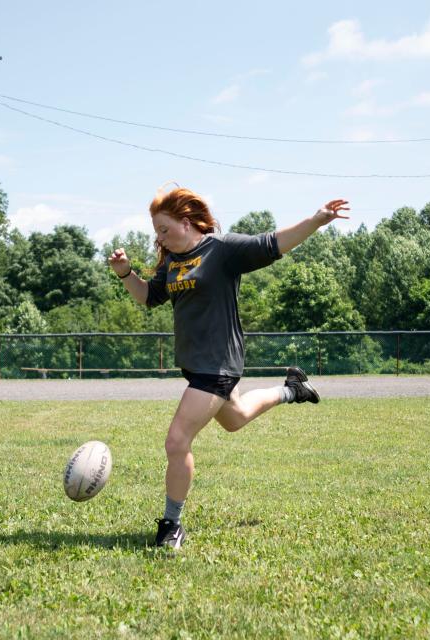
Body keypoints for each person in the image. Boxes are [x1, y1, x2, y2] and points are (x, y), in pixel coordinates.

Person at [108, 186, 350, 549]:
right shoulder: (172, 261)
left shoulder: (220, 250)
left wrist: (316, 221)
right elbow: (148, 297)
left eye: (164, 229)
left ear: (186, 222)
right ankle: (293, 389)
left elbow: (274, 243)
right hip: (196, 366)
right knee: (235, 418)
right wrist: (126, 273)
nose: (159, 238)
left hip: (218, 364)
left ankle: (171, 525)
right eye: (156, 231)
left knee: (177, 442)